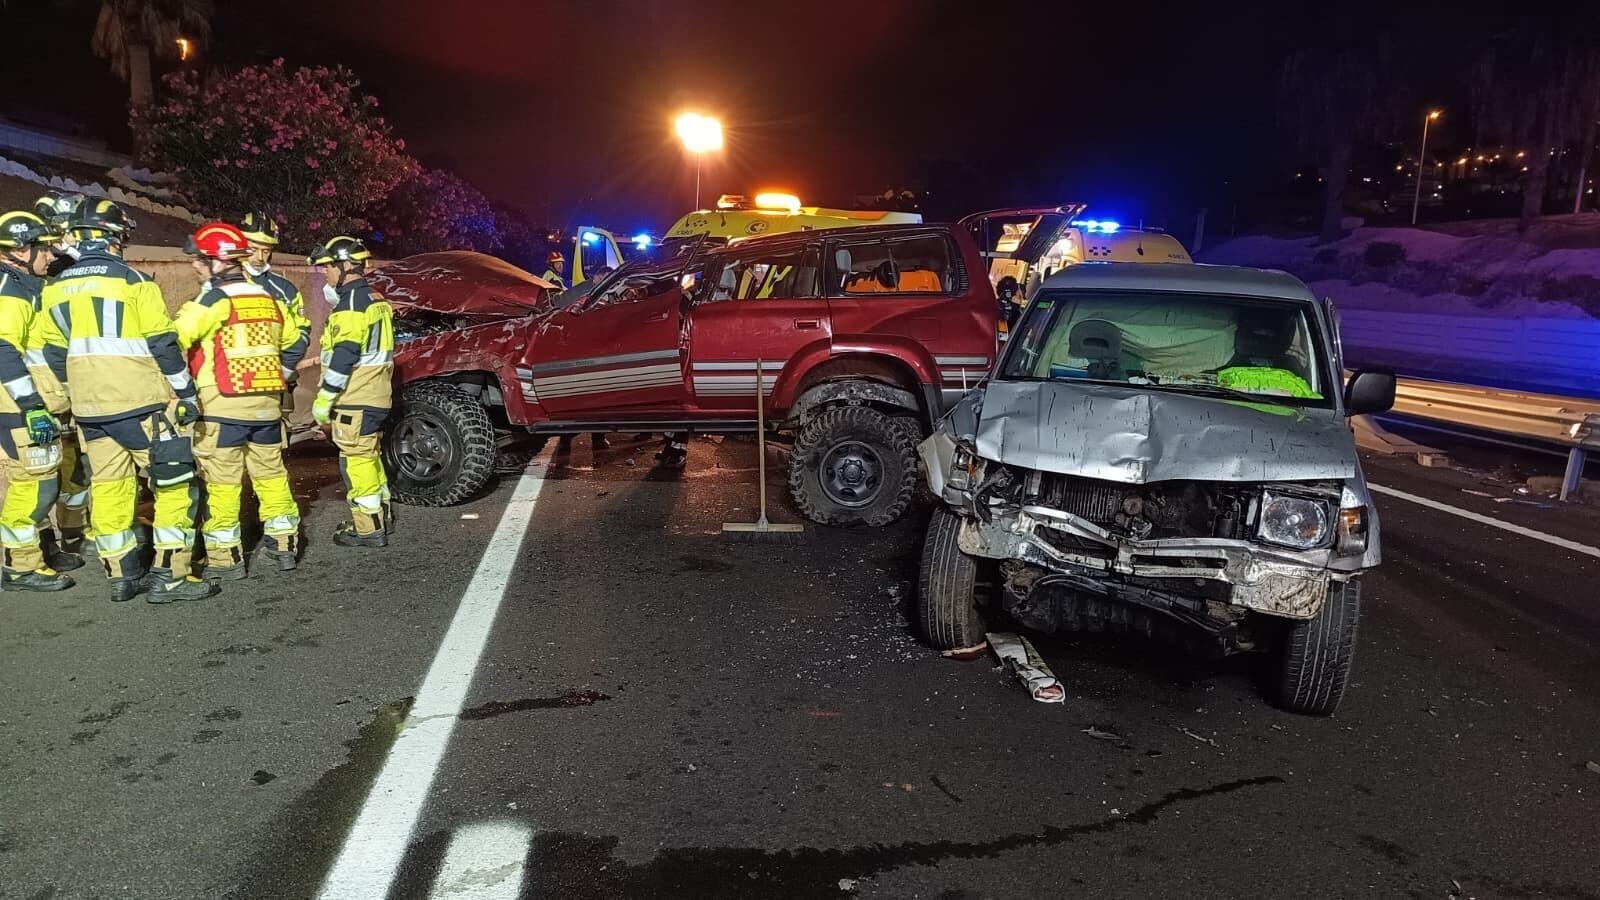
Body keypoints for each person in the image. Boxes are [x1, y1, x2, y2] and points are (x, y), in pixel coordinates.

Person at [38, 200, 216, 603]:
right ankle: (170, 576)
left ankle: (122, 575)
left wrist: (78, 388)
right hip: (140, 406)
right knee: (174, 485)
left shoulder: (55, 288)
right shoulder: (134, 281)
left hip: (90, 411)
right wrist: (186, 392)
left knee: (109, 487)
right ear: (114, 239)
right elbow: (163, 343)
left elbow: (52, 353)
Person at [176, 223, 306, 579]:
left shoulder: (212, 300)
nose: (195, 266)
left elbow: (176, 340)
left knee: (222, 483)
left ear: (216, 262)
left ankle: (225, 559)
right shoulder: (267, 298)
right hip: (266, 405)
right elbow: (294, 338)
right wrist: (282, 370)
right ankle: (284, 546)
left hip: (222, 407)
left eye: (200, 260)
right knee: (272, 477)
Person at [0, 210, 80, 590]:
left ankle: (38, 552)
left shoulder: (20, 282)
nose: (49, 257)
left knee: (42, 480)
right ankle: (21, 566)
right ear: (18, 249)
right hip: (17, 407)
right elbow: (2, 347)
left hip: (22, 403)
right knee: (35, 486)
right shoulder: (10, 289)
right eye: (43, 249)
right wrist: (31, 405)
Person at [307, 236, 394, 547]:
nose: (325, 276)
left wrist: (324, 400)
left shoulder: (351, 307)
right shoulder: (375, 299)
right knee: (370, 458)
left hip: (355, 397)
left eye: (328, 269)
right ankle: (380, 516)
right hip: (377, 395)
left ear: (345, 266)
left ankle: (368, 529)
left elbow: (344, 356)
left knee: (355, 461)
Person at [28, 193, 93, 557]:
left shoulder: (67, 270)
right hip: (38, 389)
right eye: (62, 234)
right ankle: (37, 546)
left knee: (76, 465)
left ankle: (72, 533)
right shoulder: (28, 282)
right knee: (37, 474)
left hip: (67, 382)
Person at [237, 211, 312, 413]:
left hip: (272, 385)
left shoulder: (284, 290)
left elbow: (302, 333)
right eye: (253, 249)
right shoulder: (224, 284)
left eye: (266, 251)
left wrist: (284, 372)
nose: (260, 258)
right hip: (232, 386)